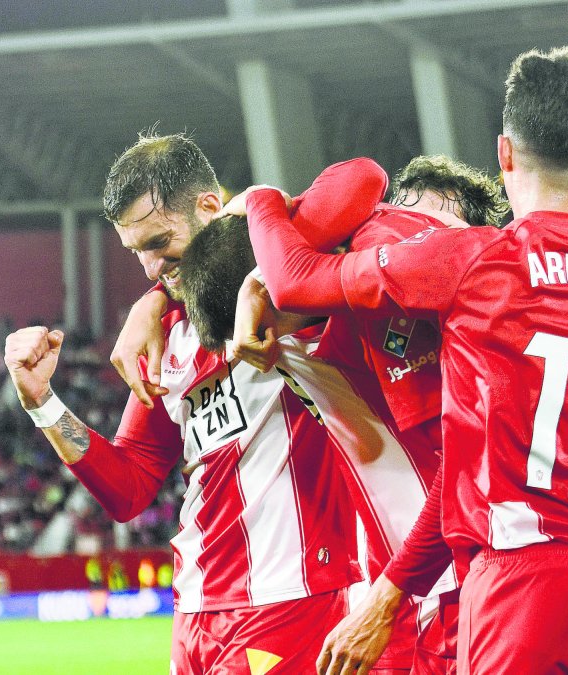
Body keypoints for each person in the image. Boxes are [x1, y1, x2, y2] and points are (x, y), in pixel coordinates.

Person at [242, 46, 568, 674]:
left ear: (504, 152)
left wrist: (256, 198)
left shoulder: (468, 259)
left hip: (523, 585)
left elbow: (293, 281)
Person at [5, 132, 365, 675]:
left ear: (210, 207)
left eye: (158, 243)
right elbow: (129, 488)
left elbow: (359, 178)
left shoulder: (280, 277)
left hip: (292, 595)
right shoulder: (167, 332)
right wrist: (43, 404)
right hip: (194, 609)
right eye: (137, 253)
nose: (150, 268)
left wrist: (248, 209)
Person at [219, 155, 507, 675]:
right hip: (393, 582)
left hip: (456, 579)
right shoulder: (344, 288)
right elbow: (358, 183)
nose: (400, 224)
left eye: (431, 216)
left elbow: (463, 466)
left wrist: (261, 221)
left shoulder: (460, 301)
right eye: (402, 206)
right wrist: (249, 284)